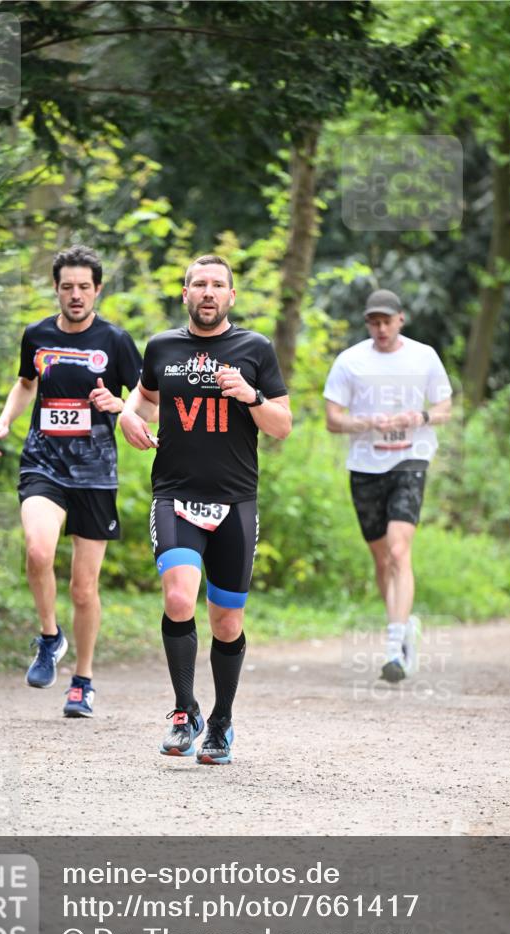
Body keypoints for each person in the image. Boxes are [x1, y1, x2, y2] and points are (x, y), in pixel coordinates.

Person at [119, 254, 291, 764]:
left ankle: (220, 722)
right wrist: (129, 417)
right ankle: (184, 711)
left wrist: (252, 396)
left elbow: (281, 425)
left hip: (236, 501)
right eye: (200, 284)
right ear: (186, 293)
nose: (209, 292)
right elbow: (146, 400)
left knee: (225, 623)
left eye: (218, 285)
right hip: (174, 494)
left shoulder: (254, 349)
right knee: (178, 597)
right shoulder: (163, 347)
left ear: (232, 296)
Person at [0, 245, 143, 717]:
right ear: (56, 288)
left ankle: (84, 681)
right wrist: (3, 422)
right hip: (43, 462)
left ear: (97, 290)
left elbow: (142, 397)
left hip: (95, 471)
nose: (75, 295)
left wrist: (123, 410)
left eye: (84, 287)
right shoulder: (37, 334)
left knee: (84, 588)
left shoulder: (115, 340)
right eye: (67, 286)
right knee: (37, 550)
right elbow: (26, 384)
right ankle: (51, 637)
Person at [324, 289, 453, 682]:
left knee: (399, 551)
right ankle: (403, 624)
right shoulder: (350, 361)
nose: (380, 328)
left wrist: (422, 417)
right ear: (368, 324)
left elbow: (445, 409)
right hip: (365, 466)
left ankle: (394, 645)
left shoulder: (424, 356)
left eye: (386, 321)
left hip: (410, 459)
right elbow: (332, 419)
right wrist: (368, 423)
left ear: (401, 319)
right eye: (373, 322)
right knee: (382, 559)